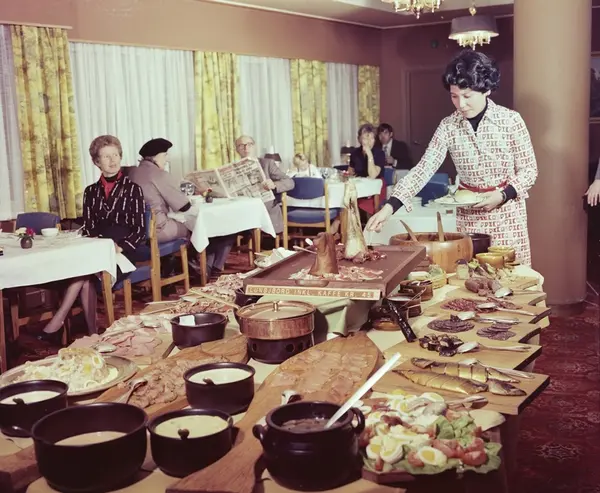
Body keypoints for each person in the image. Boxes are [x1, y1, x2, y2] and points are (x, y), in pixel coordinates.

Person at [366, 49, 538, 266]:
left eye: (467, 96)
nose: (460, 104)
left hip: (506, 215)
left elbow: (529, 170)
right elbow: (423, 169)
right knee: (470, 277)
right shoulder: (448, 126)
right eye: (454, 96)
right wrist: (389, 207)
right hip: (469, 219)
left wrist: (503, 195)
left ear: (486, 89)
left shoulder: (510, 120)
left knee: (510, 276)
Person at [38, 135, 146, 342]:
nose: (112, 160)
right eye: (106, 156)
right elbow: (89, 227)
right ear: (97, 162)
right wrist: (91, 244)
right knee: (85, 272)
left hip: (124, 251)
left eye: (115, 155)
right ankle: (92, 333)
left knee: (84, 273)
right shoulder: (90, 192)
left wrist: (120, 247)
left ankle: (61, 323)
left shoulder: (133, 189)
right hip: (97, 248)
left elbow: (140, 230)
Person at [128, 138, 190, 242]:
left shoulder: (133, 172)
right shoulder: (159, 175)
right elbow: (184, 206)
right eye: (165, 155)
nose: (167, 160)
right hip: (157, 230)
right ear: (156, 157)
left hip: (135, 230)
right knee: (192, 227)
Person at [235, 135, 294, 234]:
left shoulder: (267, 163)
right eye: (241, 145)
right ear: (237, 149)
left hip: (265, 209)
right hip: (243, 209)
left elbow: (289, 182)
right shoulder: (233, 168)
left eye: (249, 144)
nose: (246, 148)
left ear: (254, 146)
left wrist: (274, 184)